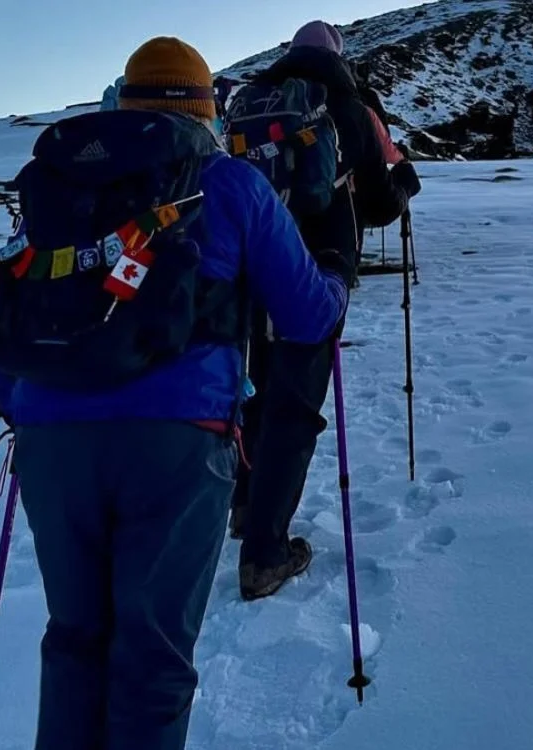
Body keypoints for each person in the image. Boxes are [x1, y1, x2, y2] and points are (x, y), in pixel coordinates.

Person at [0, 36, 348, 750]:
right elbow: (308, 316)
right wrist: (333, 264)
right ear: (204, 108)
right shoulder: (230, 182)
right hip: (179, 443)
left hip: (51, 439)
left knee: (74, 641)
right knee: (151, 658)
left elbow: (11, 318)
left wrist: (26, 416)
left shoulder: (57, 186)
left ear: (125, 97)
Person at [230, 19, 421, 601]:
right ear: (338, 55)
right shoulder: (352, 106)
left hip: (249, 261)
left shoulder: (248, 100)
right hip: (319, 266)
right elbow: (379, 205)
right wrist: (405, 185)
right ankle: (264, 554)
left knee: (256, 386)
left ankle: (243, 506)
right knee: (295, 400)